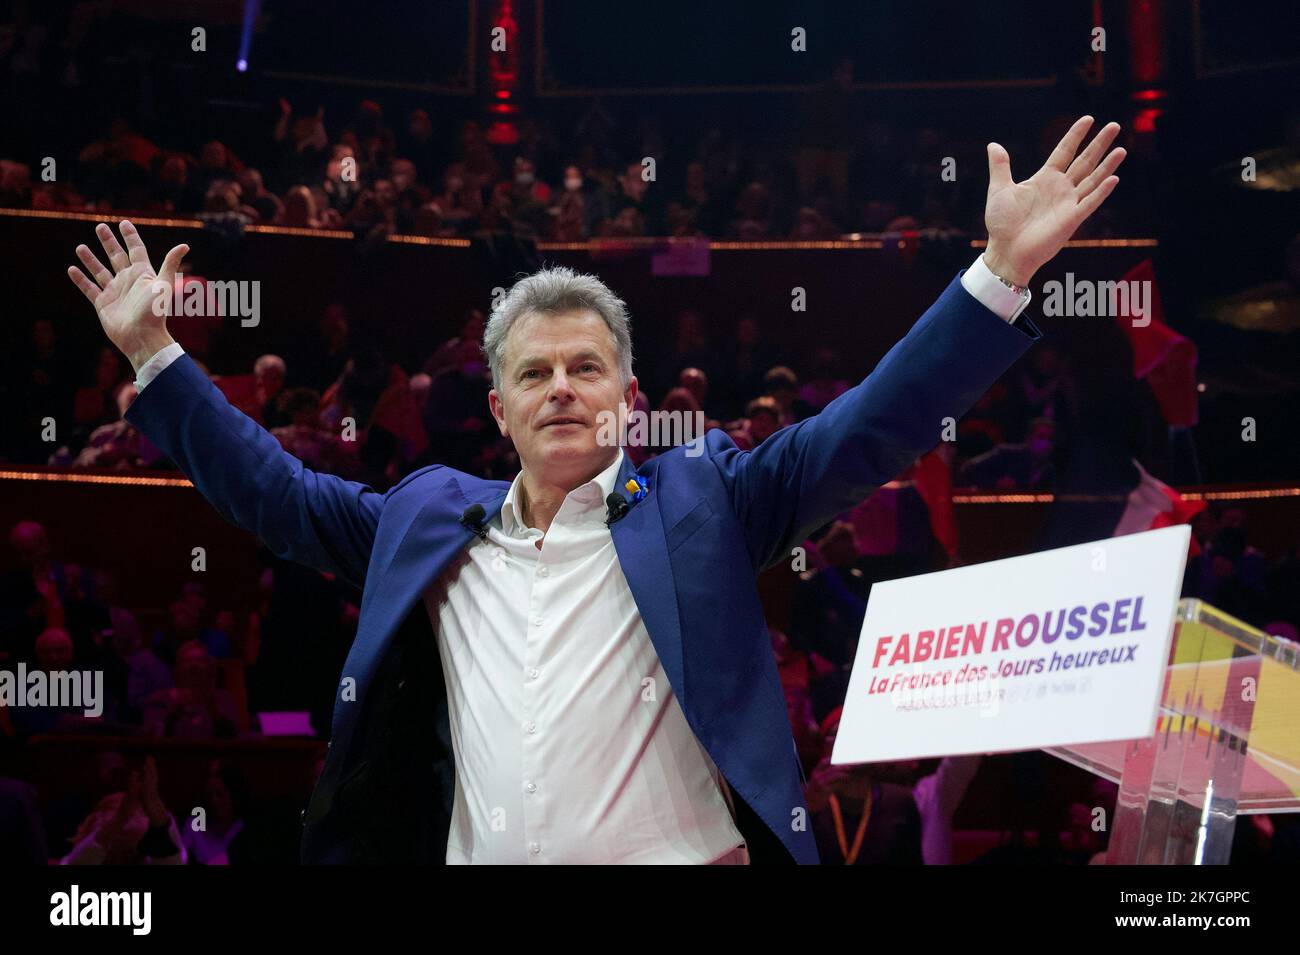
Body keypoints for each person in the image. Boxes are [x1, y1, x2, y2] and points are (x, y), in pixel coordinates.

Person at [66, 116, 1126, 864]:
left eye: (585, 369)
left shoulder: (709, 501)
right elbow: (274, 492)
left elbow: (868, 428)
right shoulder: (425, 521)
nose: (561, 390)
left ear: (628, 397)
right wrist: (155, 355)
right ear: (497, 409)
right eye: (533, 372)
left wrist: (995, 275)